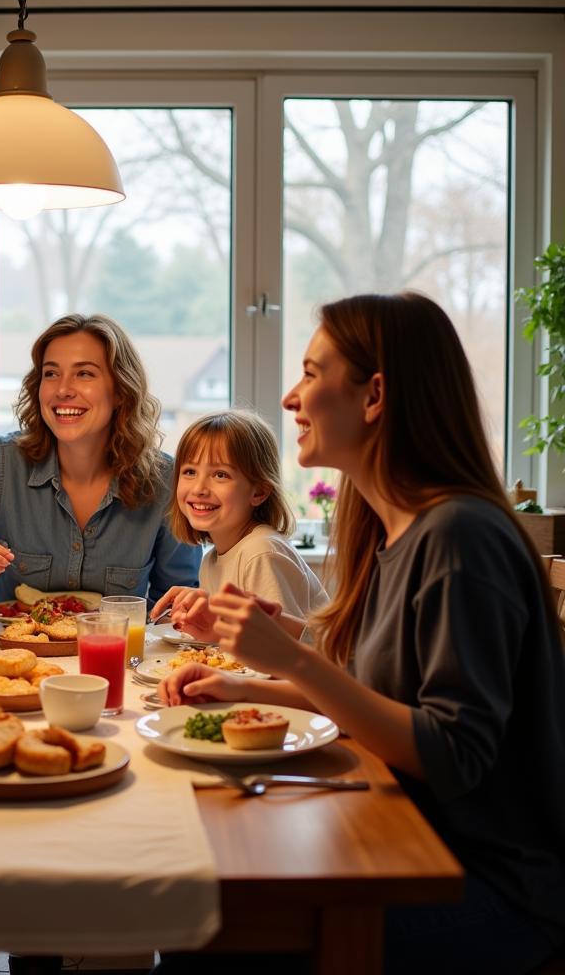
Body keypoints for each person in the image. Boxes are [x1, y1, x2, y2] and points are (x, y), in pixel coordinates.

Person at [161, 292, 565, 974]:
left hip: (488, 885)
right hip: (404, 838)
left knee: (206, 935)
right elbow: (376, 695)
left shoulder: (459, 538)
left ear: (374, 396)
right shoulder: (395, 531)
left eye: (313, 374)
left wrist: (292, 659)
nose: (292, 397)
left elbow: (451, 753)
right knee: (196, 900)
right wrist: (235, 678)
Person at [0, 313, 201, 608]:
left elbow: (178, 603)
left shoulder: (167, 480)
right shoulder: (1, 464)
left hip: (120, 659)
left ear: (120, 390)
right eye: (51, 373)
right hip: (17, 658)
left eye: (84, 373)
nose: (63, 390)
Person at [151, 410, 327, 639]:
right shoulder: (211, 560)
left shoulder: (260, 552)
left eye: (221, 475)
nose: (199, 489)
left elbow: (279, 652)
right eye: (190, 472)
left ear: (260, 491)